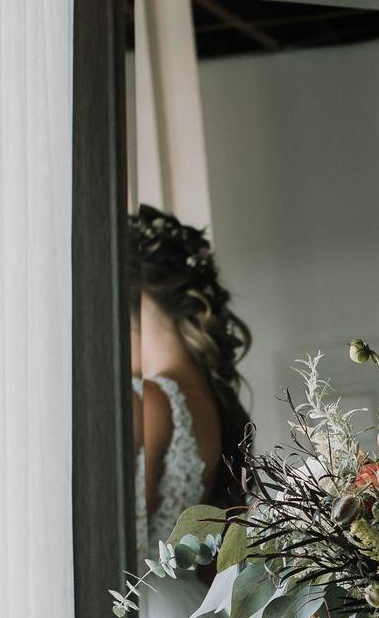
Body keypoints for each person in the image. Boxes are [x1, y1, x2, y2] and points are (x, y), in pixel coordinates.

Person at [129, 204, 252, 616]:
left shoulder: (149, 399)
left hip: (143, 600)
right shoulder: (211, 396)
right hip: (186, 599)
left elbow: (122, 542)